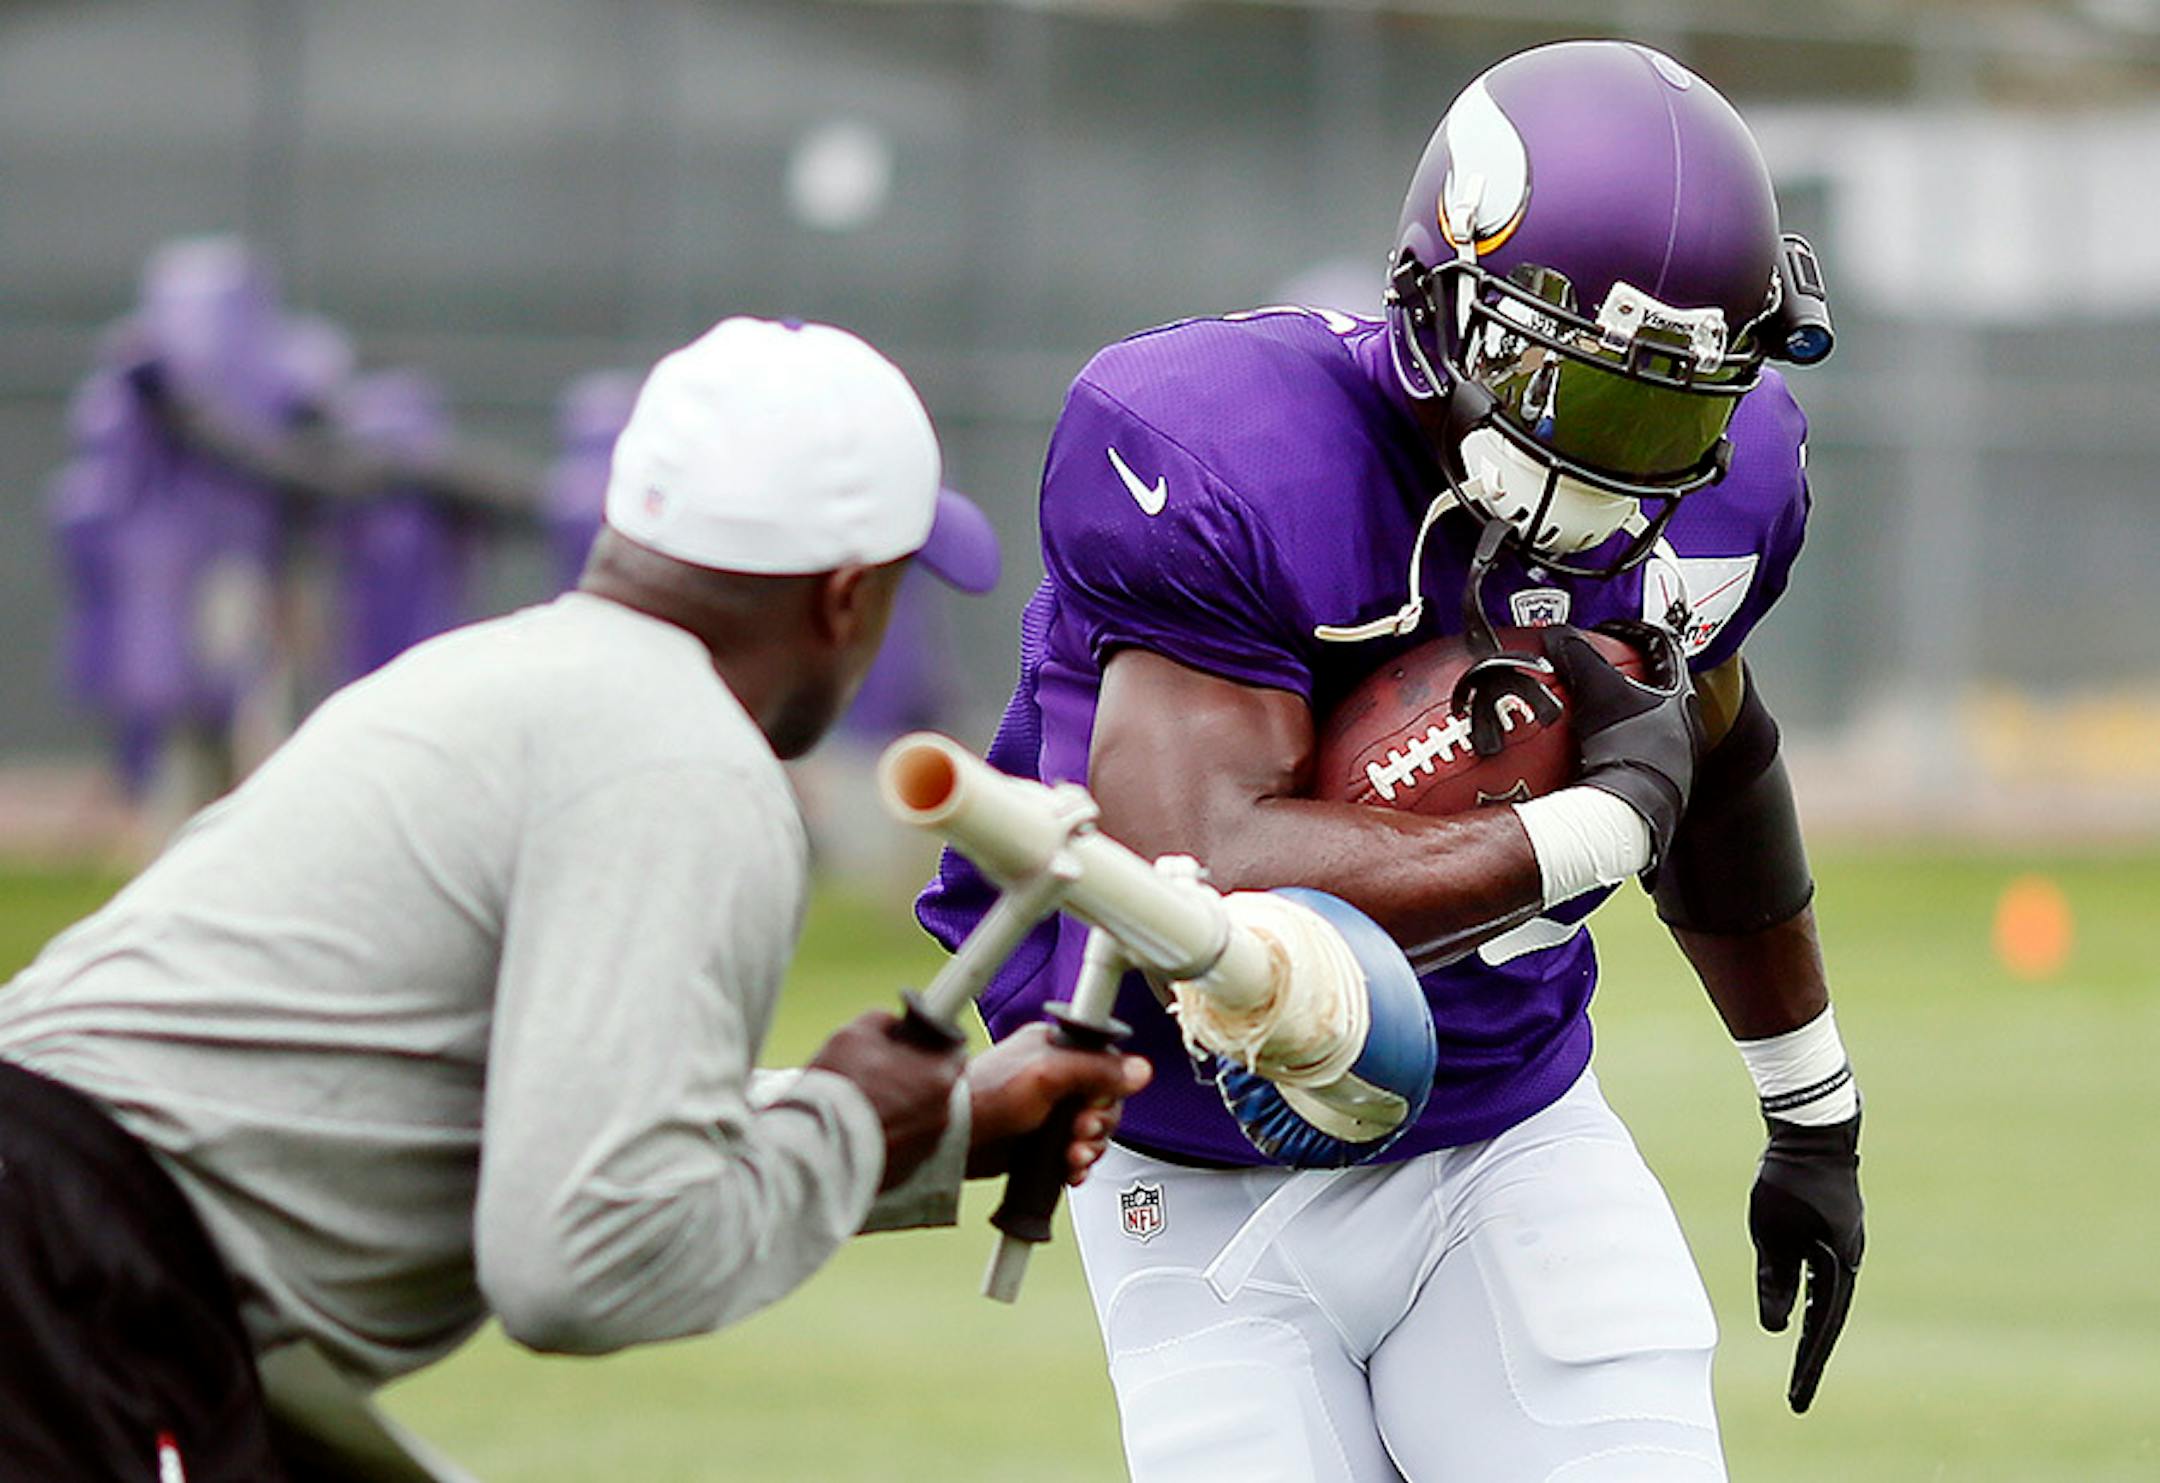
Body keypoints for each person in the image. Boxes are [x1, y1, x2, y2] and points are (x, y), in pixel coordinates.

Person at [920, 41, 1862, 1481]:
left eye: (1669, 411)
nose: (1620, 467)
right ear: (1446, 303)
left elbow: (1719, 759)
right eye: (1579, 393)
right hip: (1199, 1161)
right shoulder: (1231, 444)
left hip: (1507, 1129)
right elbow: (1200, 878)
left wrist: (1811, 1108)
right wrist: (1599, 829)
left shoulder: (1726, 499)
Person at [0, 316, 1150, 1482]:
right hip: (76, 1286)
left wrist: (935, 1126)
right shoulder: (689, 758)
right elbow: (585, 1258)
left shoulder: (492, 676)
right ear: (847, 595)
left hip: (64, 1240)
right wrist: (852, 1125)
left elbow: (560, 1115)